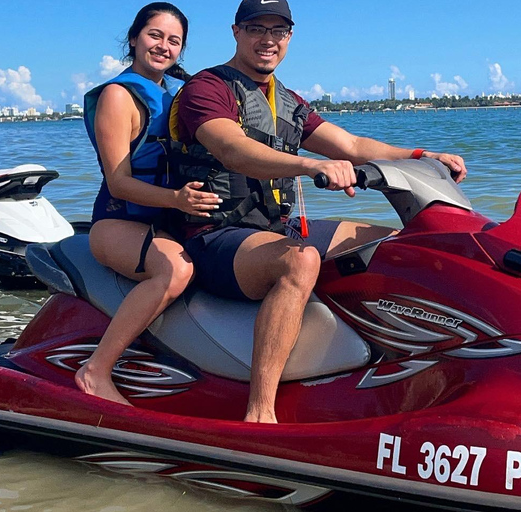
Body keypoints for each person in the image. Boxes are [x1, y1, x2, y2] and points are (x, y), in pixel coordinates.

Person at [172, 0, 468, 423]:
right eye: (257, 28)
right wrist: (312, 164)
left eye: (279, 30)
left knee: (388, 243)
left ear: (289, 38)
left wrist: (421, 155)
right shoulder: (208, 89)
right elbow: (231, 148)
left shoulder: (286, 101)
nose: (268, 39)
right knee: (300, 260)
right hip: (214, 236)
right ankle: (260, 411)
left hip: (274, 227)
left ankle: (383, 366)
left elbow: (350, 146)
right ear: (236, 32)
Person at [76, 2, 221, 405]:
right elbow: (119, 182)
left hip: (170, 221)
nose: (163, 46)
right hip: (116, 222)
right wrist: (178, 199)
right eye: (155, 35)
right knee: (175, 270)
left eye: (174, 41)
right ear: (134, 38)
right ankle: (95, 370)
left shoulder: (178, 94)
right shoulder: (118, 97)